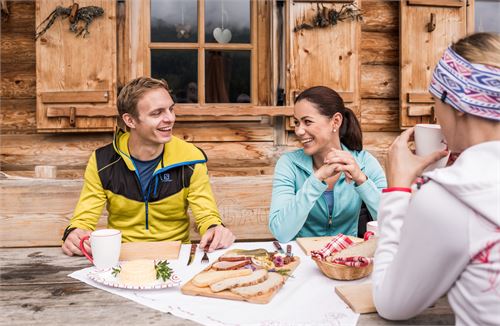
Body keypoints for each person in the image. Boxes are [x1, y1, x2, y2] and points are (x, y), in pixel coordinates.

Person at [372, 32, 500, 325]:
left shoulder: (450, 200)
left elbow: (392, 303)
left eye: (435, 103)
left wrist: (397, 189)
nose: (435, 116)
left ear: (456, 105)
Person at [62, 77, 235, 256]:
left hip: (177, 259)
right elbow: (83, 219)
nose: (170, 118)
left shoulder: (192, 158)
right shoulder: (102, 161)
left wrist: (216, 229)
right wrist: (74, 234)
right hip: (121, 259)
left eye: (171, 109)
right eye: (157, 113)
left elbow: (207, 216)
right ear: (130, 121)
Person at [268, 86, 387, 242]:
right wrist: (316, 179)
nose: (299, 131)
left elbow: (391, 225)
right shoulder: (289, 164)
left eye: (307, 122)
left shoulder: (364, 162)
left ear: (335, 121)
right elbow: (281, 232)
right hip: (303, 260)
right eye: (297, 122)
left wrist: (361, 180)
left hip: (346, 260)